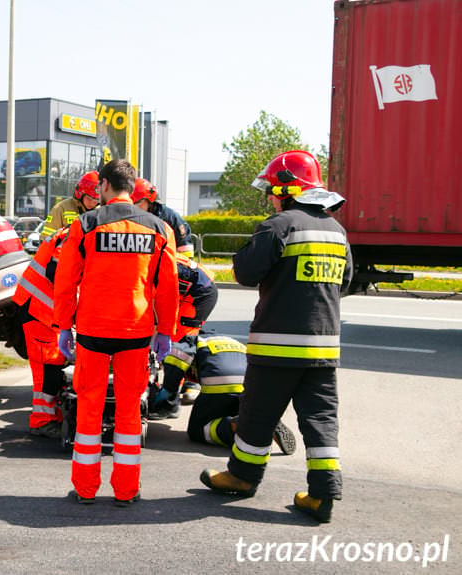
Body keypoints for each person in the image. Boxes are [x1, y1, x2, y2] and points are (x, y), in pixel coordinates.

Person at [199, 150, 352, 524]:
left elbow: (248, 273)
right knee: (321, 419)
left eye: (272, 188)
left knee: (256, 415)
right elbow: (345, 282)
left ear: (288, 188)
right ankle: (322, 494)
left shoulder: (280, 224)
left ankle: (242, 476)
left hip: (277, 347)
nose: (269, 195)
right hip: (323, 348)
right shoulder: (336, 230)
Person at [53, 159, 179, 506]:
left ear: (105, 186)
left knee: (89, 408)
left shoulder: (85, 225)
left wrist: (64, 326)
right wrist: (165, 330)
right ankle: (126, 491)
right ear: (133, 187)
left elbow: (66, 283)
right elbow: (167, 288)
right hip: (136, 331)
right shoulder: (158, 228)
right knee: (128, 411)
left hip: (93, 329)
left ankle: (85, 489)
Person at [184, 333, 296, 456]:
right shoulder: (230, 342)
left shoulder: (188, 341)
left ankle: (235, 425)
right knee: (235, 413)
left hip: (220, 383)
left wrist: (169, 395)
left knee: (197, 430)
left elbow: (175, 366)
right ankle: (262, 423)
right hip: (249, 383)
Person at [11, 226, 70, 438]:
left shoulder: (74, 232)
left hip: (40, 307)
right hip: (38, 308)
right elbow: (56, 271)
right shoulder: (74, 236)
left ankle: (51, 416)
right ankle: (42, 422)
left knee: (52, 366)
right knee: (48, 369)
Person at [149, 253, 218, 419]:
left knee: (179, 345)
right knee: (165, 339)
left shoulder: (158, 267)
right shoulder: (146, 261)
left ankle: (168, 401)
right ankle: (168, 391)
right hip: (186, 287)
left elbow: (166, 301)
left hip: (199, 293)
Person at [131, 177, 194, 257]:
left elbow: (185, 251)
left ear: (149, 200)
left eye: (136, 203)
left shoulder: (171, 218)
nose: (132, 208)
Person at [40, 171, 99, 240]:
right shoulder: (61, 209)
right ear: (80, 194)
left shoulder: (103, 212)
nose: (93, 202)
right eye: (89, 198)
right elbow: (46, 240)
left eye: (97, 199)